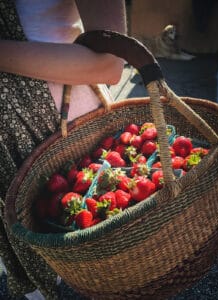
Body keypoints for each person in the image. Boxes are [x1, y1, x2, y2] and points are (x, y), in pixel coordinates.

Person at [0, 0, 126, 299]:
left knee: (90, 261)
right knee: (29, 258)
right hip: (6, 154)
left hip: (63, 135)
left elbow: (110, 64)